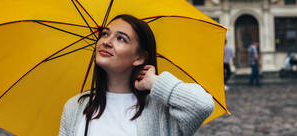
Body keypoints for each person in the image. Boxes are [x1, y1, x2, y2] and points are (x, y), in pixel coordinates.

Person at [58, 14, 214, 136]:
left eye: (121, 38)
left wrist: (155, 82)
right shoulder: (75, 106)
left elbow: (201, 105)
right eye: (105, 34)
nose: (106, 41)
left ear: (139, 58)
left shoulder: (161, 110)